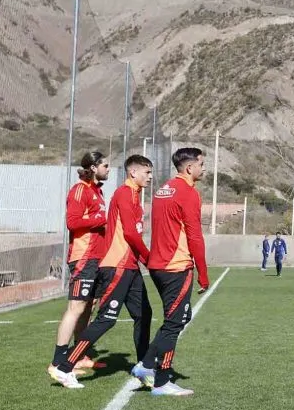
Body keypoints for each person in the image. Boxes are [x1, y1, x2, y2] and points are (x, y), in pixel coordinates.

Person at [54, 156, 154, 389]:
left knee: (144, 314)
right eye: (146, 173)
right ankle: (65, 366)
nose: (150, 177)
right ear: (133, 173)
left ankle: (144, 367)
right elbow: (129, 233)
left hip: (129, 264)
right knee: (105, 319)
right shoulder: (124, 193)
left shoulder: (133, 195)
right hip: (117, 265)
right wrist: (149, 258)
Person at [133, 147, 210, 396]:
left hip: (158, 265)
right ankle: (156, 374)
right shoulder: (188, 193)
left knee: (178, 319)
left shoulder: (162, 190)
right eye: (201, 164)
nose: (204, 168)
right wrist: (203, 273)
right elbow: (194, 236)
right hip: (176, 266)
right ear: (189, 168)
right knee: (174, 323)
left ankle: (153, 371)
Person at [48, 151, 109, 384]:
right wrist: (100, 219)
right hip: (83, 258)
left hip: (97, 257)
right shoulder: (79, 190)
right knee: (76, 307)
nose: (108, 169)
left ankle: (79, 355)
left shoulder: (97, 191)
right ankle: (57, 362)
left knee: (88, 308)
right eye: (105, 165)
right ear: (93, 167)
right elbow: (72, 223)